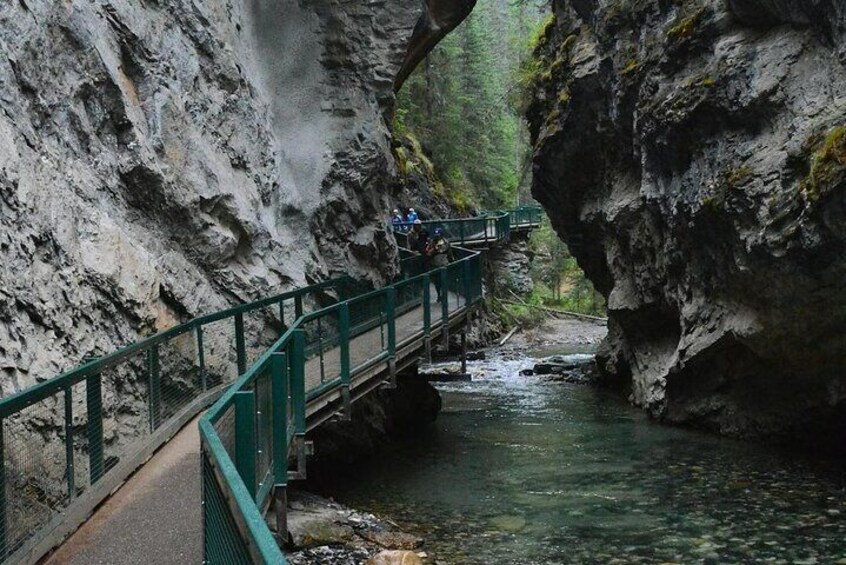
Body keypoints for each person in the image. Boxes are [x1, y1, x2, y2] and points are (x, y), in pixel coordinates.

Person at [426, 228, 453, 300]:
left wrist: (452, 261)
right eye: (436, 236)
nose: (437, 237)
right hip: (434, 265)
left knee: (443, 281)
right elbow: (428, 252)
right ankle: (439, 295)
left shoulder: (445, 242)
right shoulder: (432, 242)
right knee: (437, 282)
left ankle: (443, 295)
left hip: (443, 264)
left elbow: (442, 250)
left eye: (438, 235)